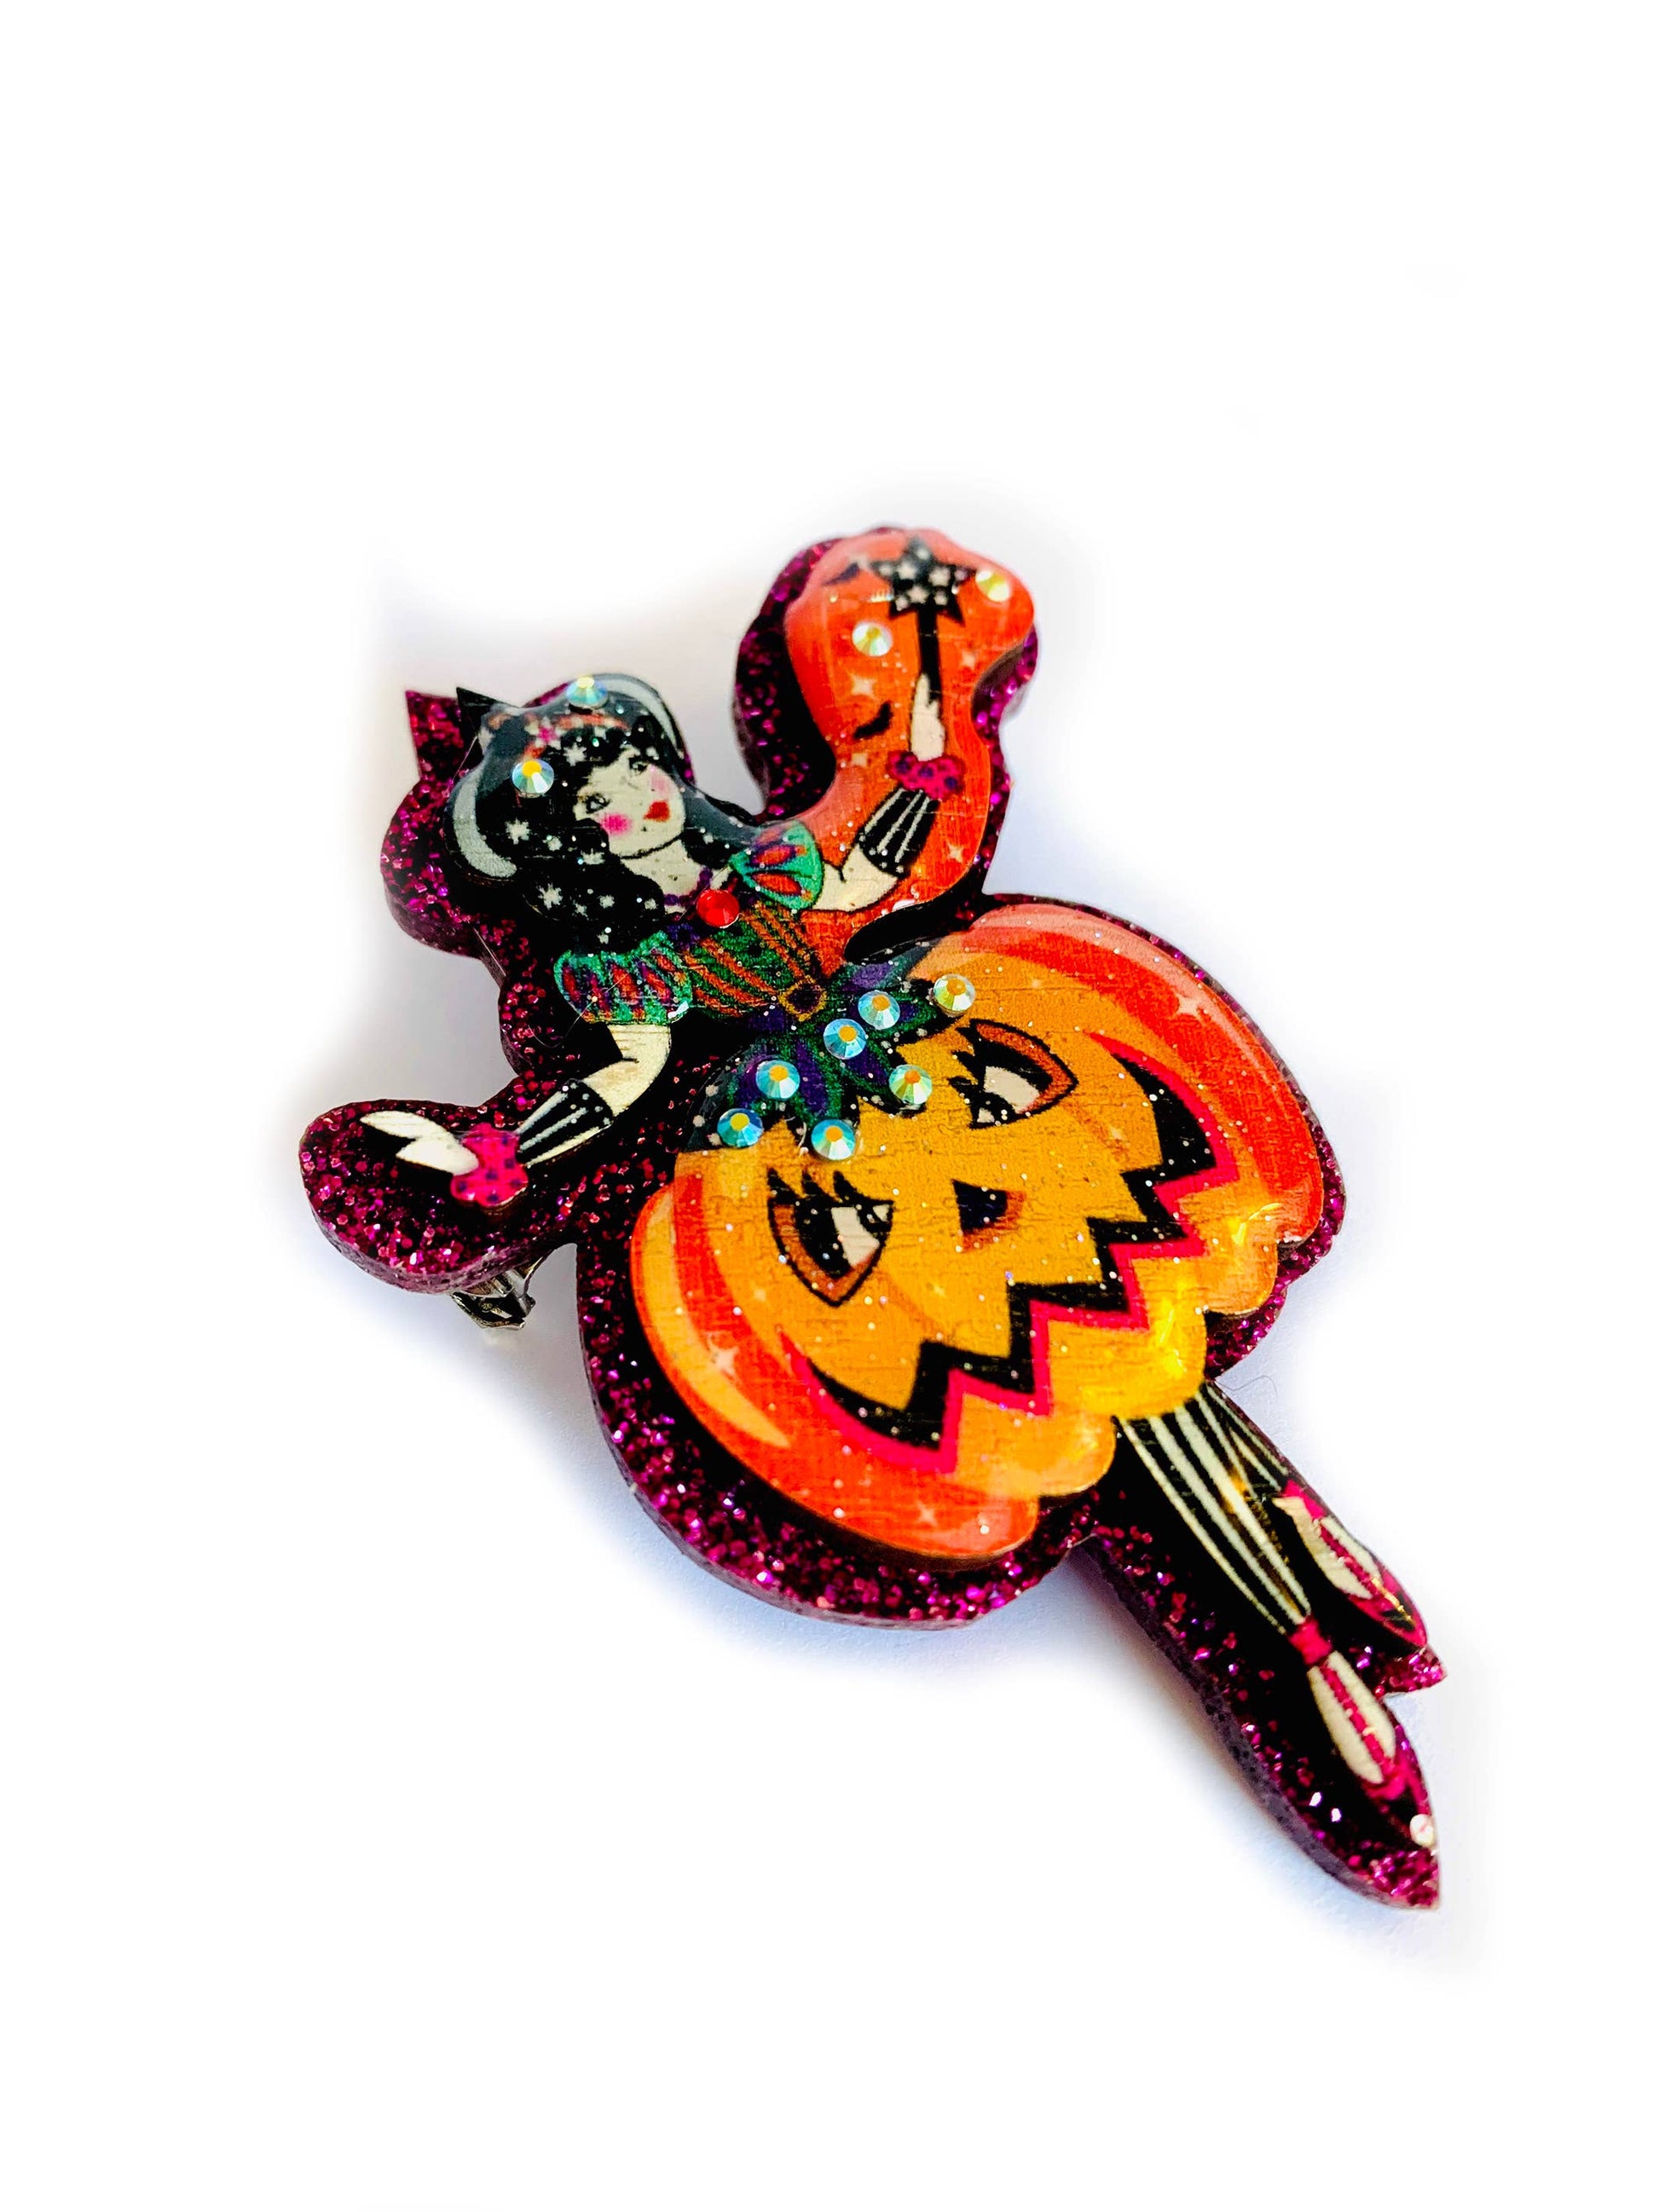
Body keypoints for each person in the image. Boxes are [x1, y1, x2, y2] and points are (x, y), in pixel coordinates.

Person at [367, 667, 962, 1193]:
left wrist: (923, 775)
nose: (639, 796)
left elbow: (860, 881)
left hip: (879, 1005)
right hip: (775, 1089)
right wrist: (505, 1151)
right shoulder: (633, 963)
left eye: (636, 767)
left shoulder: (762, 865)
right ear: (577, 845)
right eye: (598, 800)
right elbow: (630, 1072)